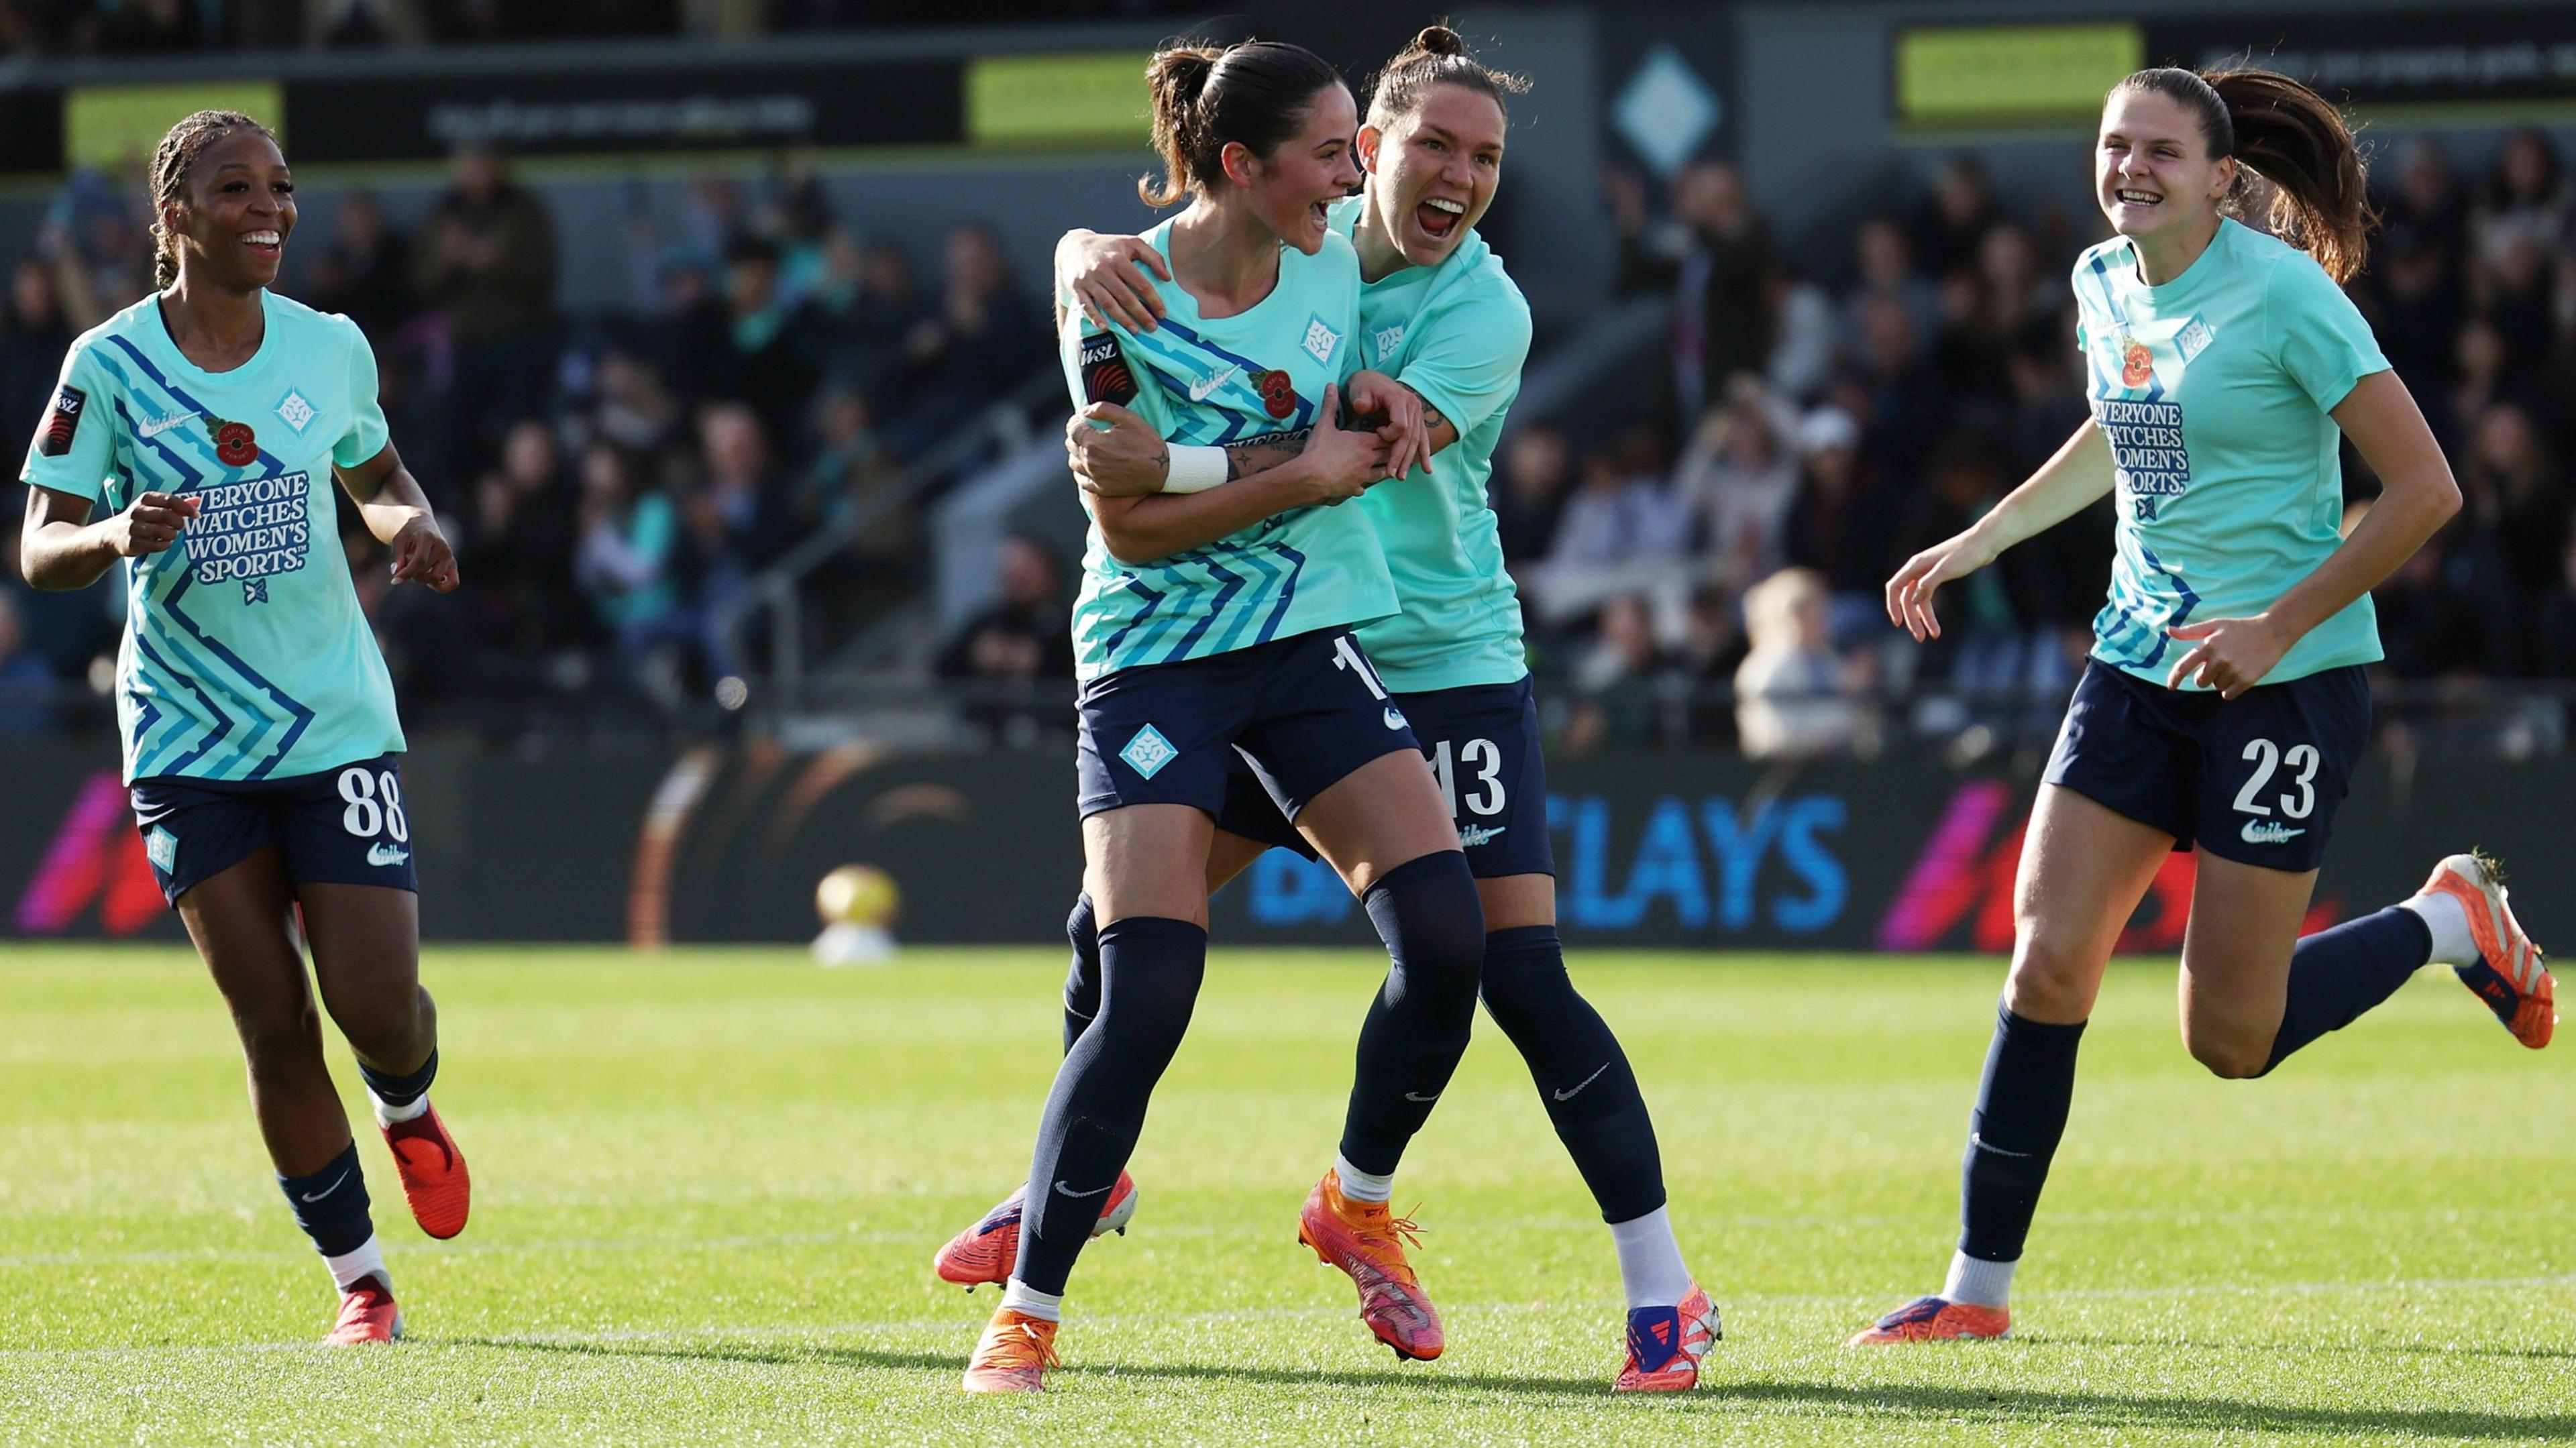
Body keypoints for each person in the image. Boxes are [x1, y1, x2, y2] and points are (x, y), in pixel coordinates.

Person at [951, 27, 1721, 1392]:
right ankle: (1077, 1187)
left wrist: (1193, 435)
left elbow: (1342, 451)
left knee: (1507, 972)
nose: (1459, 176)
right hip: (1273, 638)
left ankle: (1634, 1284)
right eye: (1430, 146)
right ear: (1360, 151)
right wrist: (1079, 253)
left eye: (1484, 159)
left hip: (1433, 658)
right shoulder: (1306, 245)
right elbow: (1190, 266)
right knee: (1121, 950)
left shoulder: (1484, 309)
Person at [1856, 68, 2554, 1347]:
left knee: (2230, 1039)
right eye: (2115, 144)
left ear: (2223, 177)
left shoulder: (2290, 297)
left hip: (2285, 682)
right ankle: (1977, 1294)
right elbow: (2121, 435)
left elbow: (2427, 490)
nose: (2130, 167)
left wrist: (2277, 625)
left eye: (2160, 151)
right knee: (2048, 955)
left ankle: (2449, 921)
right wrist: (1984, 538)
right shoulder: (2099, 280)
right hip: (2136, 665)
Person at [950, 38, 1469, 1395]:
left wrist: (1375, 396)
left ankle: (1354, 1202)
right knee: (1149, 991)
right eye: (1329, 151)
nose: (1353, 172)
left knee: (1447, 942)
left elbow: (1332, 386)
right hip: (1160, 657)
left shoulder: (1332, 266)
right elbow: (1127, 518)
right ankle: (1030, 1311)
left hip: (1300, 650)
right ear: (1240, 165)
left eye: (1361, 143)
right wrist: (1295, 473)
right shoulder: (1114, 289)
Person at [15, 111, 470, 1347]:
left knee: (376, 1004)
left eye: (279, 187)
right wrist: (110, 535)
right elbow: (39, 544)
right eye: (235, 190)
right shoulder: (105, 368)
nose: (268, 208)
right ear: (175, 217)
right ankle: (361, 1285)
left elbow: (377, 475)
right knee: (273, 1022)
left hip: (332, 716)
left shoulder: (329, 351)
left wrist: (407, 528)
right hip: (189, 741)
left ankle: (409, 1104)